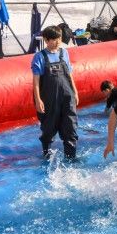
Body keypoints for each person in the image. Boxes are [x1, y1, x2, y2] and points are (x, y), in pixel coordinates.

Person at [32, 25, 79, 159]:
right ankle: (47, 154)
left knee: (70, 126)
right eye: (53, 39)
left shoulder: (64, 53)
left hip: (67, 96)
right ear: (46, 40)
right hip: (49, 99)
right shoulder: (39, 57)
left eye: (59, 38)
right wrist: (38, 100)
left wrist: (75, 92)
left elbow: (69, 74)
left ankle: (71, 157)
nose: (57, 41)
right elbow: (35, 82)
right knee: (48, 128)